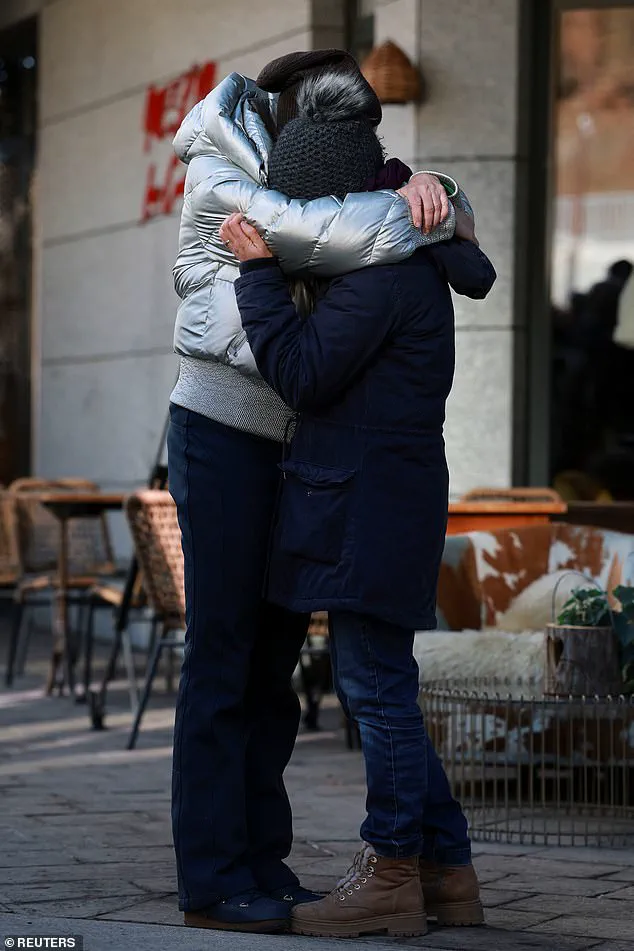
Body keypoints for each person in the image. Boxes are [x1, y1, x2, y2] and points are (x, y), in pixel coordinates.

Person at [169, 49, 477, 933]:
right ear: (291, 109)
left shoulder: (329, 171)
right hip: (225, 430)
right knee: (223, 655)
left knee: (272, 663)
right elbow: (318, 230)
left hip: (294, 444)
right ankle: (213, 875)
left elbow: (372, 210)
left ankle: (264, 857)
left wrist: (440, 186)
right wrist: (433, 206)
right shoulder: (220, 159)